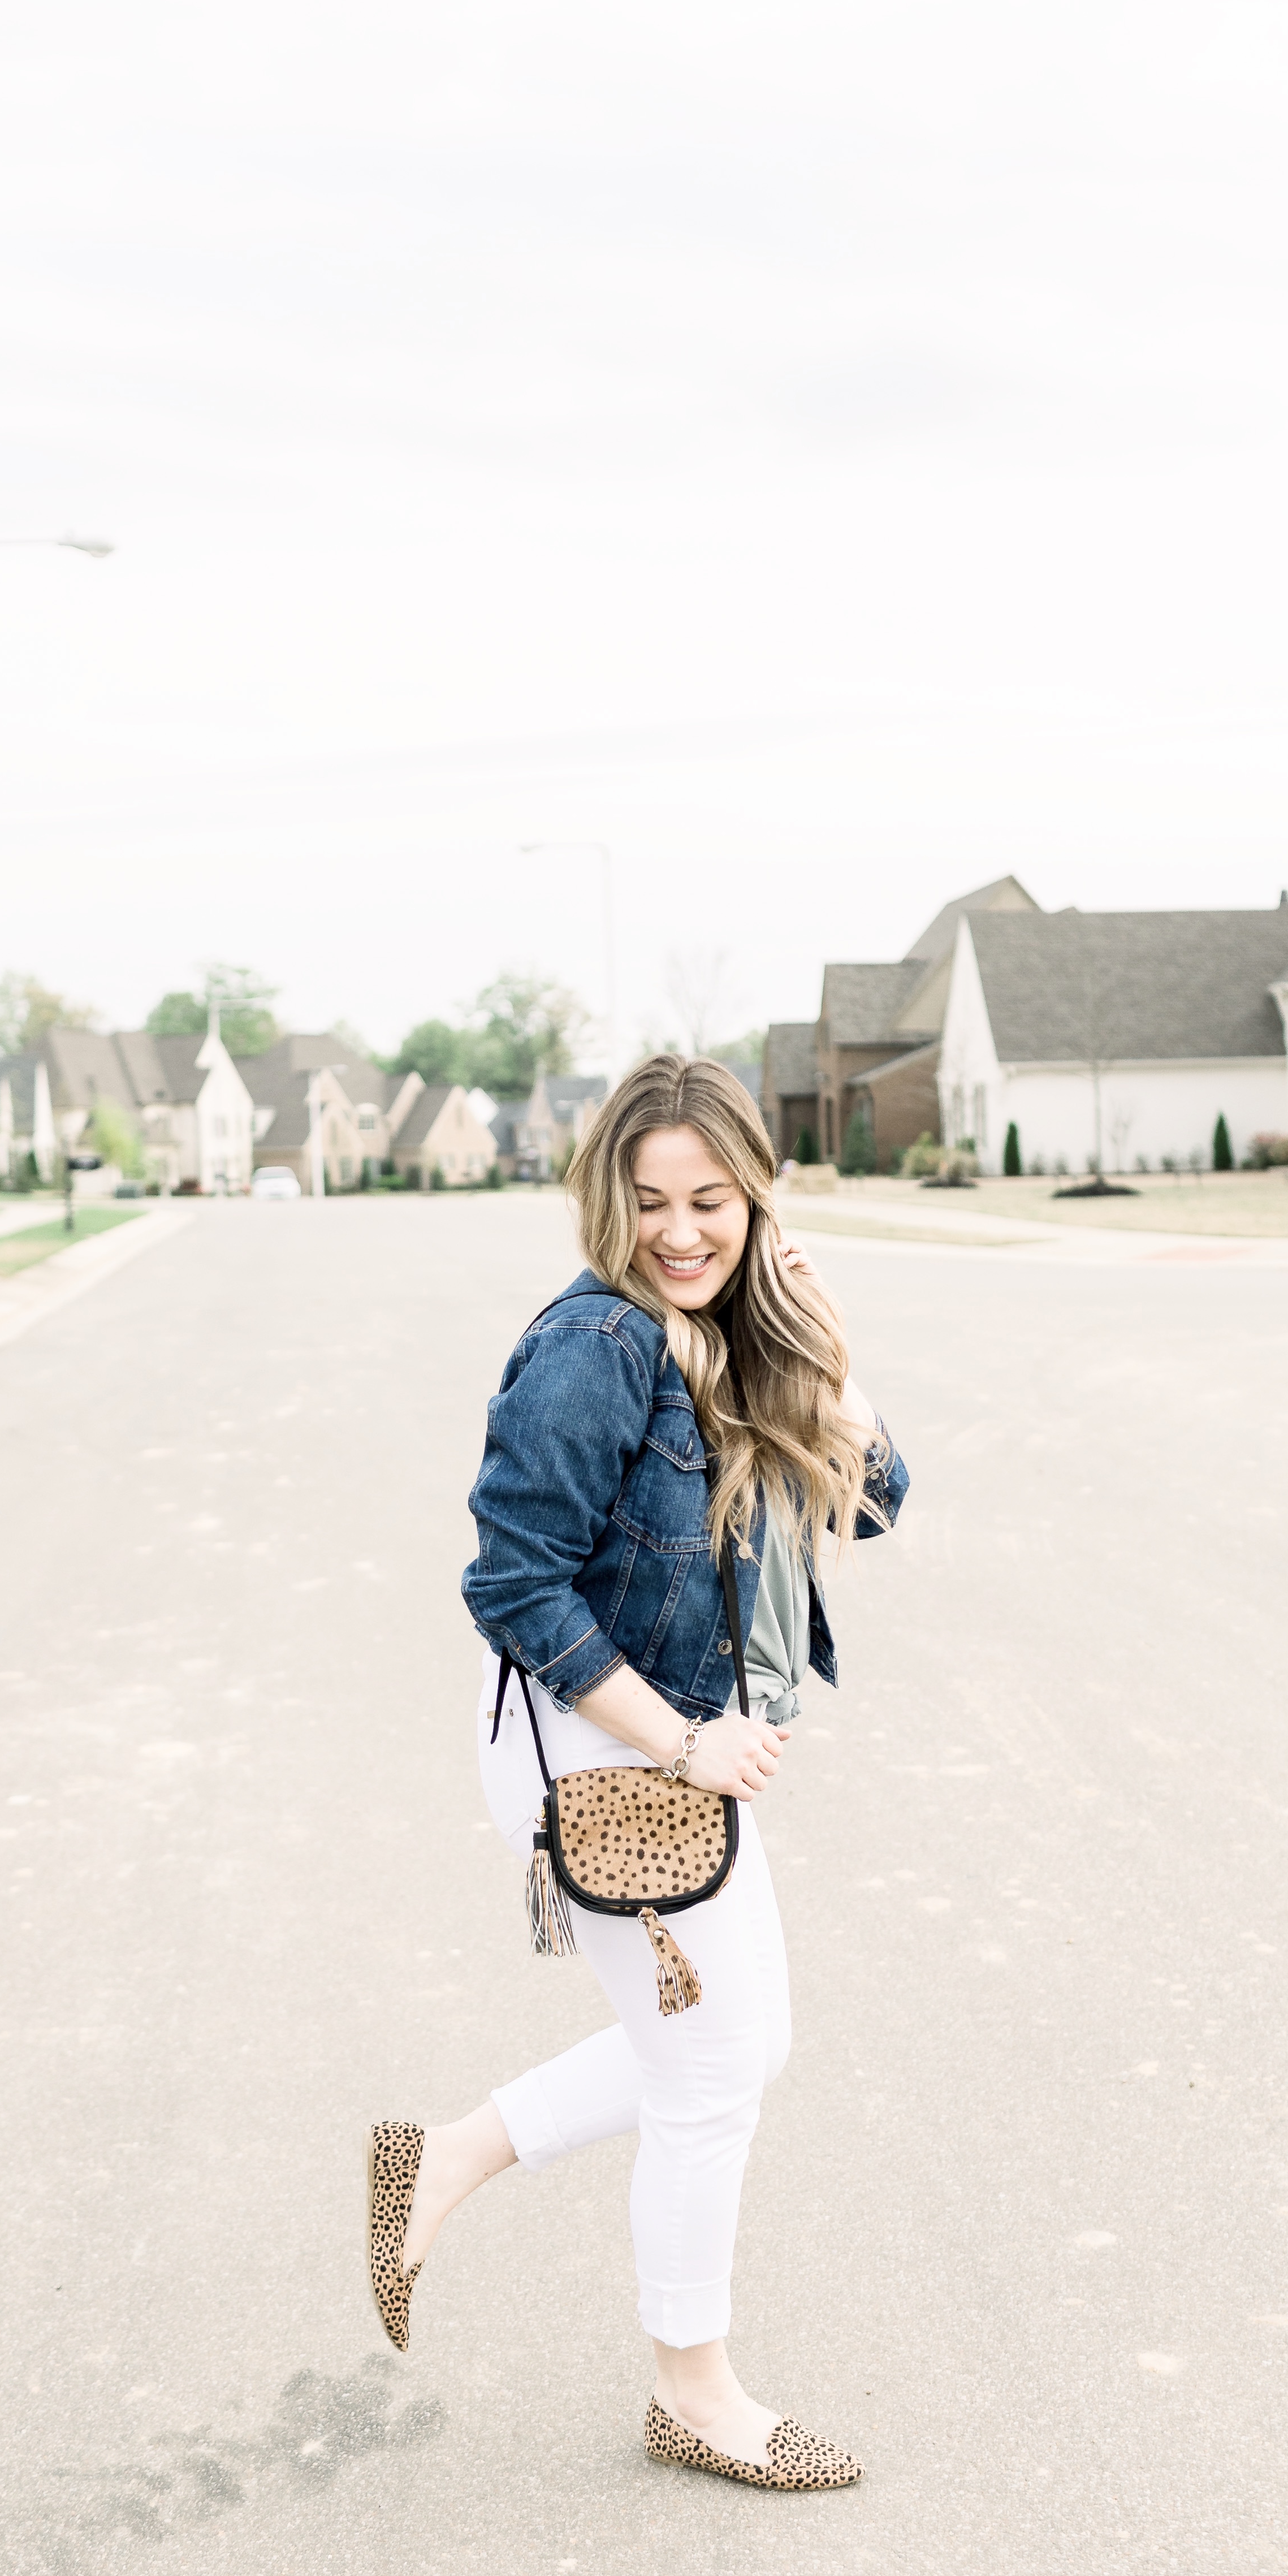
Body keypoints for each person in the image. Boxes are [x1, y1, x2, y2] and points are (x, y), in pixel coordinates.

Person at [366, 1055, 908, 2489]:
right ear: (609, 1199)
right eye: (651, 1201)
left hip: (669, 1738)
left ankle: (446, 2156)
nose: (680, 1232)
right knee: (714, 2069)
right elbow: (513, 1583)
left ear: (754, 1202)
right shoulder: (596, 1346)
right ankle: (694, 2389)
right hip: (604, 1741)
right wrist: (682, 1740)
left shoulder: (733, 1336)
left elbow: (877, 1495)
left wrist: (811, 1330)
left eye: (712, 1202)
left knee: (736, 2044)